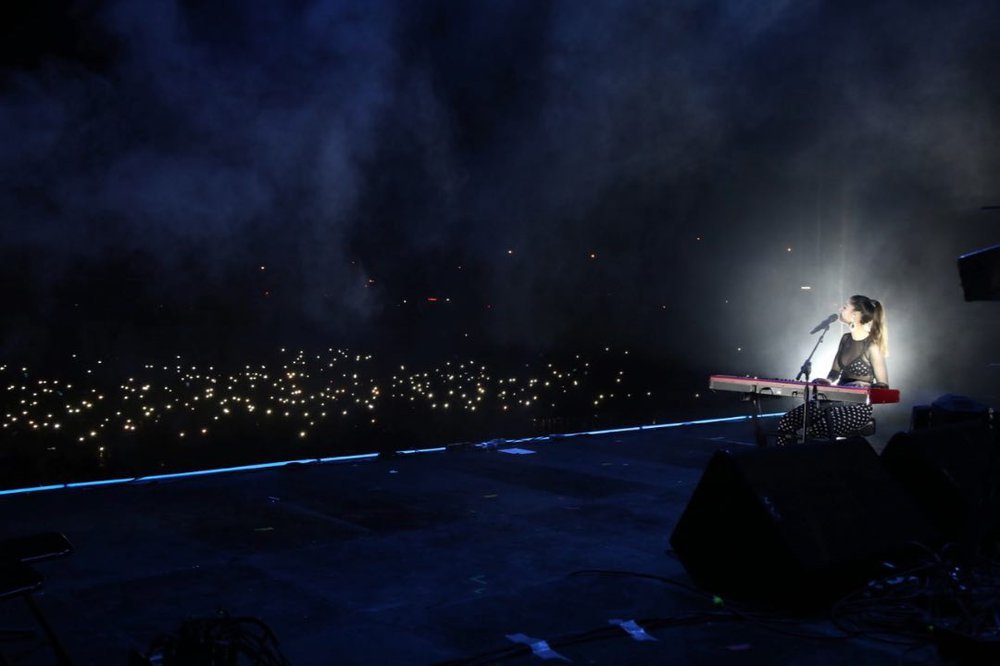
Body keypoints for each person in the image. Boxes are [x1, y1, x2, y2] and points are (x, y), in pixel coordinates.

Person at [776, 294, 889, 445]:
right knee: (786, 422)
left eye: (844, 307)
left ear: (855, 315)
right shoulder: (845, 339)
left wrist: (865, 386)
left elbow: (883, 387)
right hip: (834, 400)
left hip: (858, 407)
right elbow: (835, 372)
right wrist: (827, 381)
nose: (840, 309)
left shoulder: (871, 346)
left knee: (813, 431)